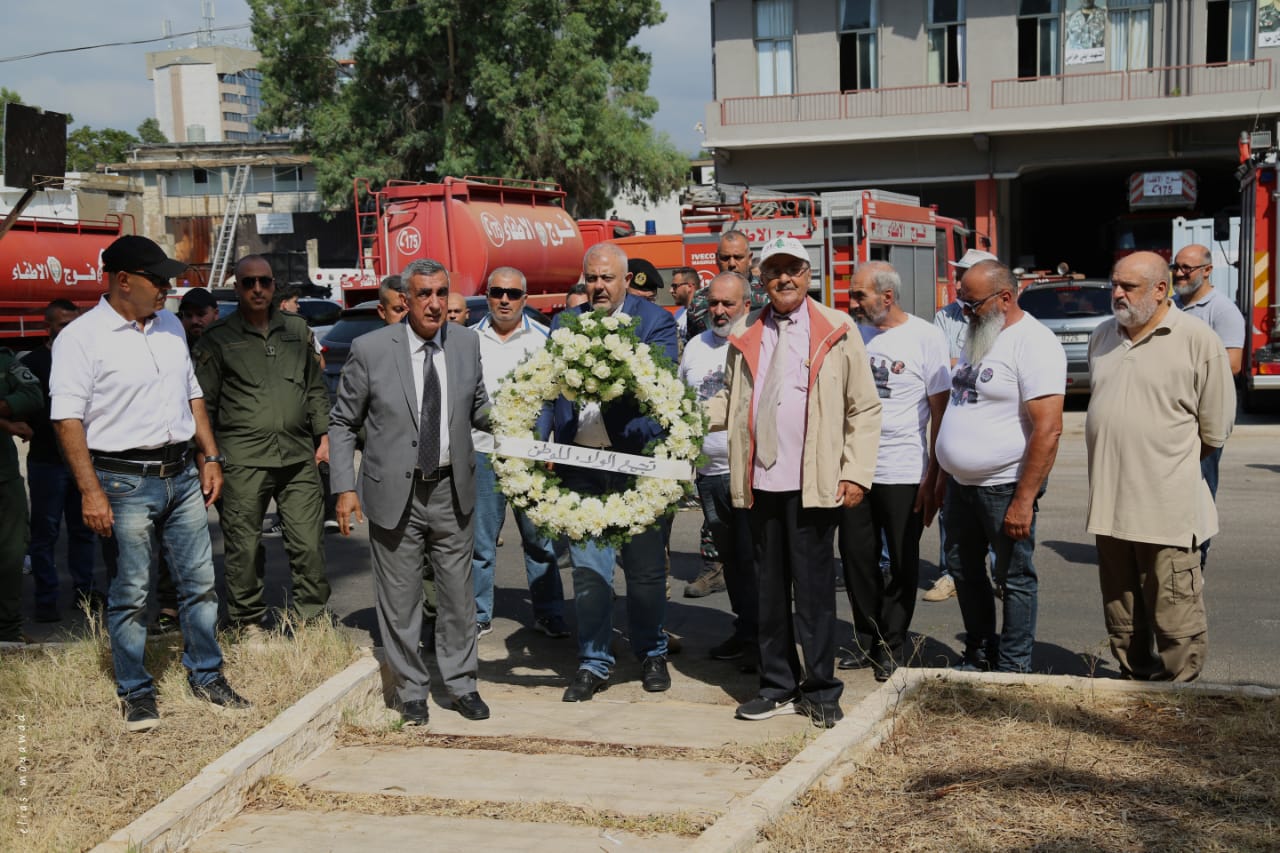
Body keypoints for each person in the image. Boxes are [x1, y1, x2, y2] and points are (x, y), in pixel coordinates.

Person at [50, 235, 249, 731]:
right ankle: (136, 690)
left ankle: (207, 675)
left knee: (200, 584)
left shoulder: (170, 327)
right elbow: (67, 420)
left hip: (181, 473)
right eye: (157, 279)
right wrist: (90, 491)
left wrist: (210, 455)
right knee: (132, 591)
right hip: (122, 481)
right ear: (123, 281)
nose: (167, 288)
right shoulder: (81, 338)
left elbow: (192, 394)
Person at [709, 236, 882, 728]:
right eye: (774, 271)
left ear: (808, 275)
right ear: (761, 279)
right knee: (768, 592)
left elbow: (864, 408)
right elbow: (731, 398)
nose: (784, 279)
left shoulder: (837, 328)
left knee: (813, 593)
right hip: (760, 480)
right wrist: (683, 416)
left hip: (814, 482)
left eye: (793, 270)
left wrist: (855, 472)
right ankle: (778, 685)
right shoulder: (745, 331)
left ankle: (822, 689)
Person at [330, 258, 491, 726]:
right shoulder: (371, 349)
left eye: (442, 293)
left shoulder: (466, 343)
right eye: (424, 294)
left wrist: (523, 419)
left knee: (458, 597)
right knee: (400, 600)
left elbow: (480, 408)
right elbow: (342, 422)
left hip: (452, 489)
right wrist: (344, 487)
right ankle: (412, 690)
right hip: (394, 494)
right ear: (406, 299)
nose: (435, 304)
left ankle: (462, 684)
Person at [538, 243, 678, 702]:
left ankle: (652, 651)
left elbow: (662, 389)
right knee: (588, 572)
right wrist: (540, 445)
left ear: (625, 281)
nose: (598, 286)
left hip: (635, 466)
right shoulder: (565, 323)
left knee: (645, 572)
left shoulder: (654, 322)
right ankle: (594, 662)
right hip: (580, 467)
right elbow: (545, 388)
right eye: (592, 279)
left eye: (607, 278)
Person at [1087, 251, 1235, 681]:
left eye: (1128, 287)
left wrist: (1163, 466)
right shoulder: (1103, 336)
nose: (1117, 293)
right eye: (1114, 284)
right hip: (1110, 510)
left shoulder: (1197, 339)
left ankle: (1178, 698)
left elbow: (1214, 431)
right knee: (1122, 611)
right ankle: (1135, 684)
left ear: (1159, 290)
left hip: (1168, 511)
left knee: (1175, 614)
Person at [934, 259, 1065, 674]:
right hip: (961, 486)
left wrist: (1024, 500)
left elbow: (1049, 429)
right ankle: (979, 652)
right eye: (962, 302)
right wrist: (943, 473)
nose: (965, 312)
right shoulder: (980, 334)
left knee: (1013, 577)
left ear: (1005, 298)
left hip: (1004, 486)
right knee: (963, 570)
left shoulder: (1034, 343)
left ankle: (1013, 665)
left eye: (972, 304)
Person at [193, 255, 332, 634]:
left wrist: (324, 437)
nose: (257, 289)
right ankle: (248, 620)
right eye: (248, 282)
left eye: (264, 282)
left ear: (273, 286)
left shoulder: (296, 330)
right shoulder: (218, 338)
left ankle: (311, 620)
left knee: (308, 543)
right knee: (244, 545)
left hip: (298, 456)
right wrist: (208, 457)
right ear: (237, 287)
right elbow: (202, 404)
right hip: (242, 460)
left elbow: (315, 388)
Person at [840, 262, 950, 680]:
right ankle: (867, 636)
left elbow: (940, 412)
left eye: (860, 295)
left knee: (903, 561)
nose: (853, 303)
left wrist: (934, 475)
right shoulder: (852, 334)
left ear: (887, 296)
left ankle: (893, 642)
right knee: (856, 557)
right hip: (855, 468)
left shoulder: (925, 337)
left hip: (904, 469)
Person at [471, 267, 568, 638]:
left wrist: (548, 445)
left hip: (530, 457)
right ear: (487, 296)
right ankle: (478, 614)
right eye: (497, 292)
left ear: (525, 299)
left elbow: (556, 398)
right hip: (482, 453)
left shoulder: (544, 339)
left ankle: (549, 613)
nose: (504, 300)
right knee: (480, 543)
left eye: (513, 294)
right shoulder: (467, 340)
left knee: (540, 541)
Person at [678, 271, 757, 669]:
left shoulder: (759, 342)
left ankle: (766, 642)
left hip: (749, 475)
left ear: (747, 305)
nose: (720, 310)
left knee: (756, 561)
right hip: (708, 475)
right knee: (733, 562)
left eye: (728, 303)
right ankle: (746, 632)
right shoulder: (695, 346)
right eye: (713, 303)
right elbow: (681, 402)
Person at [924, 247, 998, 603]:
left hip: (992, 428)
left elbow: (991, 371)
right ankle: (950, 574)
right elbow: (942, 367)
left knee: (995, 508)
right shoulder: (946, 316)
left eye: (965, 274)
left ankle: (1000, 573)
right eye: (958, 274)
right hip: (957, 420)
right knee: (950, 508)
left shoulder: (1002, 316)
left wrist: (961, 365)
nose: (958, 281)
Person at [1171, 243, 1246, 570]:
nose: (1179, 273)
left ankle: (1196, 556)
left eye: (1186, 268)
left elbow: (1233, 365)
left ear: (1207, 270)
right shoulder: (1171, 306)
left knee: (1200, 486)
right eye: (1176, 267)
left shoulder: (1222, 310)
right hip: (1173, 414)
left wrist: (1179, 371)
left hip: (1203, 417)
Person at [25, 301, 100, 624]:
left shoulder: (88, 359)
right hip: (46, 463)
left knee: (84, 532)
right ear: (48, 327)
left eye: (74, 323)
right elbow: (23, 406)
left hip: (82, 462)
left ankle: (85, 594)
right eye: (62, 325)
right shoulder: (33, 363)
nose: (69, 330)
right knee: (45, 534)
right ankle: (46, 599)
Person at [0, 336, 41, 644]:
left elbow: (33, 395)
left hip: (4, 476)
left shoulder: (4, 359)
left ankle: (8, 630)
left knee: (12, 554)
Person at [685, 231, 768, 339]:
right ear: (716, 259)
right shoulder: (698, 301)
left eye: (738, 257)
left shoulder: (768, 293)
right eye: (725, 258)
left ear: (749, 258)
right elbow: (693, 343)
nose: (732, 264)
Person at [670, 266, 699, 340]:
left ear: (689, 287)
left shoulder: (702, 313)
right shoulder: (679, 312)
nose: (671, 290)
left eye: (675, 286)